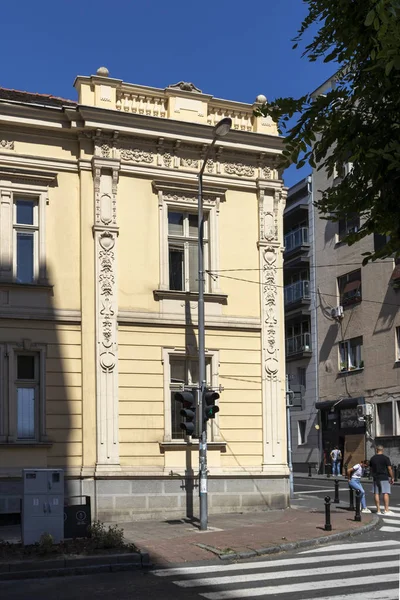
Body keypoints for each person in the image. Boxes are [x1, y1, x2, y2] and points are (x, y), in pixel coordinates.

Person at [369, 445, 394, 515]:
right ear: (382, 450)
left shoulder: (372, 458)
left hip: (376, 477)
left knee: (376, 493)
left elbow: (371, 469)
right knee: (385, 493)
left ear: (376, 450)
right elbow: (389, 469)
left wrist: (373, 475)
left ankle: (378, 510)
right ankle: (386, 510)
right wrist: (392, 477)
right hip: (384, 477)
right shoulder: (386, 458)